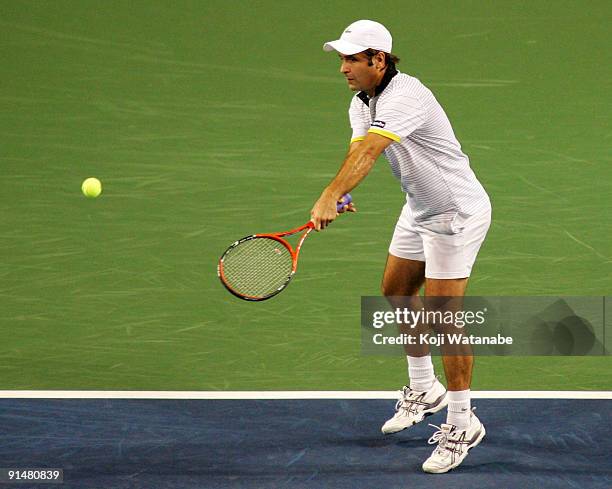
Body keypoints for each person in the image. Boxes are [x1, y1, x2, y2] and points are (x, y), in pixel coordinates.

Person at [311, 20, 491, 473]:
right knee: (396, 292)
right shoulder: (361, 103)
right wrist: (345, 191)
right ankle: (423, 388)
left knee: (443, 317)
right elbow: (359, 153)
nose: (343, 68)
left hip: (454, 212)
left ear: (379, 59)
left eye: (353, 58)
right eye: (342, 59)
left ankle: (461, 422)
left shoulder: (406, 94)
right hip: (420, 208)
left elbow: (372, 151)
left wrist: (329, 195)